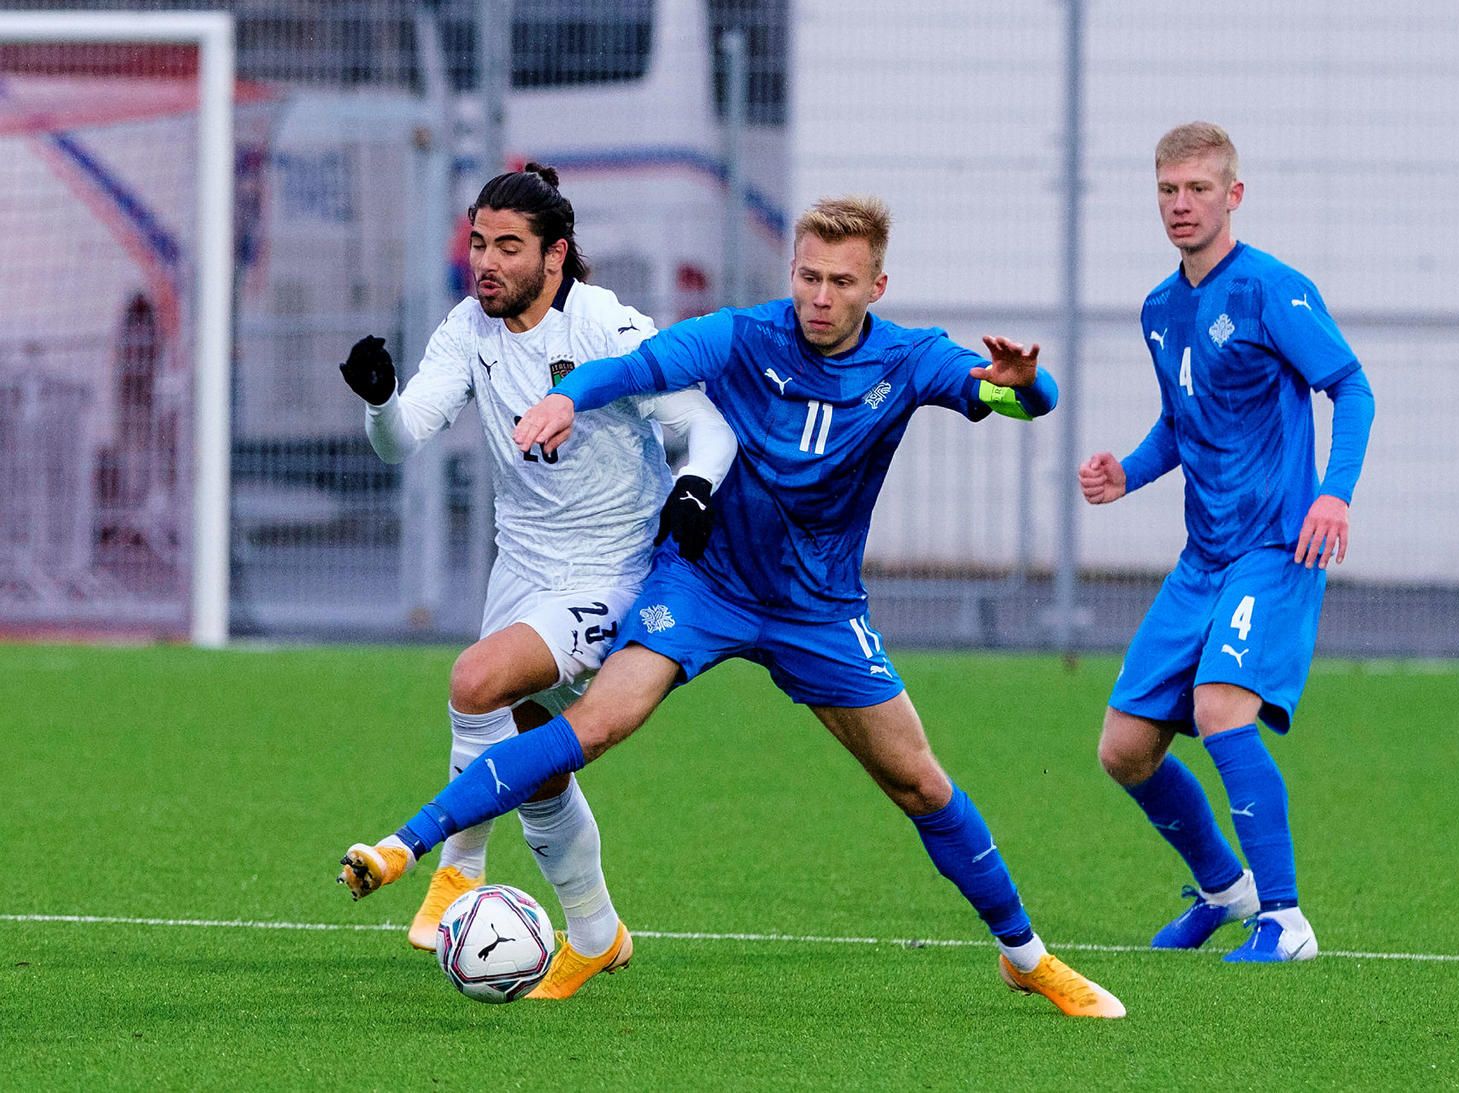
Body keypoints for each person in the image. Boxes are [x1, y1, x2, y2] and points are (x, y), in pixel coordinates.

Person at [338, 196, 1126, 1018]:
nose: (820, 295)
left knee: (919, 782)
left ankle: (1027, 957)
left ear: (877, 286)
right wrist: (573, 396)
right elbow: (645, 366)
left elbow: (1013, 398)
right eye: (808, 275)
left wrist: (1028, 387)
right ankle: (410, 847)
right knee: (589, 726)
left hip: (818, 607)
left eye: (841, 281)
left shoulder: (912, 358)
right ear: (791, 270)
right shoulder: (747, 334)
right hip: (702, 584)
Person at [337, 163, 736, 999]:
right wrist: (378, 401)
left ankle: (459, 870)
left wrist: (695, 487)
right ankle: (596, 932)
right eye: (479, 242)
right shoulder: (468, 329)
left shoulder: (606, 326)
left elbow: (706, 424)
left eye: (507, 247)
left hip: (613, 567)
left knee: (475, 679)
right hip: (519, 565)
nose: (486, 261)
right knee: (533, 755)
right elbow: (402, 437)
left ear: (555, 257)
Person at [1078, 123, 1375, 962]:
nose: (1181, 204)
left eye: (1198, 189)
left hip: (1275, 547)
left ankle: (1284, 920)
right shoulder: (1159, 308)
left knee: (1218, 711)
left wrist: (1334, 495)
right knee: (1125, 748)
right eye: (1168, 190)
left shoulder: (1272, 289)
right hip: (1201, 558)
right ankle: (1224, 889)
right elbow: (1182, 422)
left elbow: (1351, 389)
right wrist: (1125, 473)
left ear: (1232, 195)